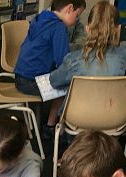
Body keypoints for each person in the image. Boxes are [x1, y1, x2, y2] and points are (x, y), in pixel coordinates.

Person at [49, 1, 126, 109]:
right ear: (118, 29)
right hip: (114, 117)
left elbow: (54, 81)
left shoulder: (73, 59)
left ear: (87, 29)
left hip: (78, 117)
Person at [14, 0, 86, 136]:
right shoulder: (59, 28)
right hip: (32, 82)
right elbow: (64, 62)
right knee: (69, 87)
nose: (76, 21)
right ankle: (51, 126)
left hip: (20, 77)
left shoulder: (41, 18)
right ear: (69, 8)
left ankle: (50, 124)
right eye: (77, 16)